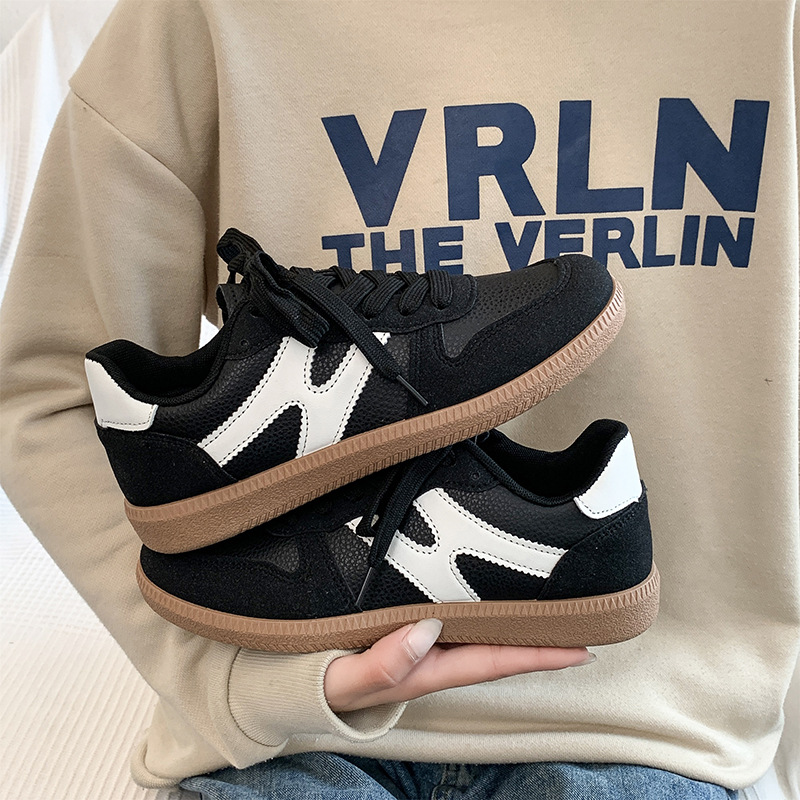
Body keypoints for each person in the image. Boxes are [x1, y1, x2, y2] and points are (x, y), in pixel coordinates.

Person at [1, 1, 797, 798]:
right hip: (290, 729)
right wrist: (237, 684)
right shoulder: (197, 16)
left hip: (649, 731)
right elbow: (54, 388)